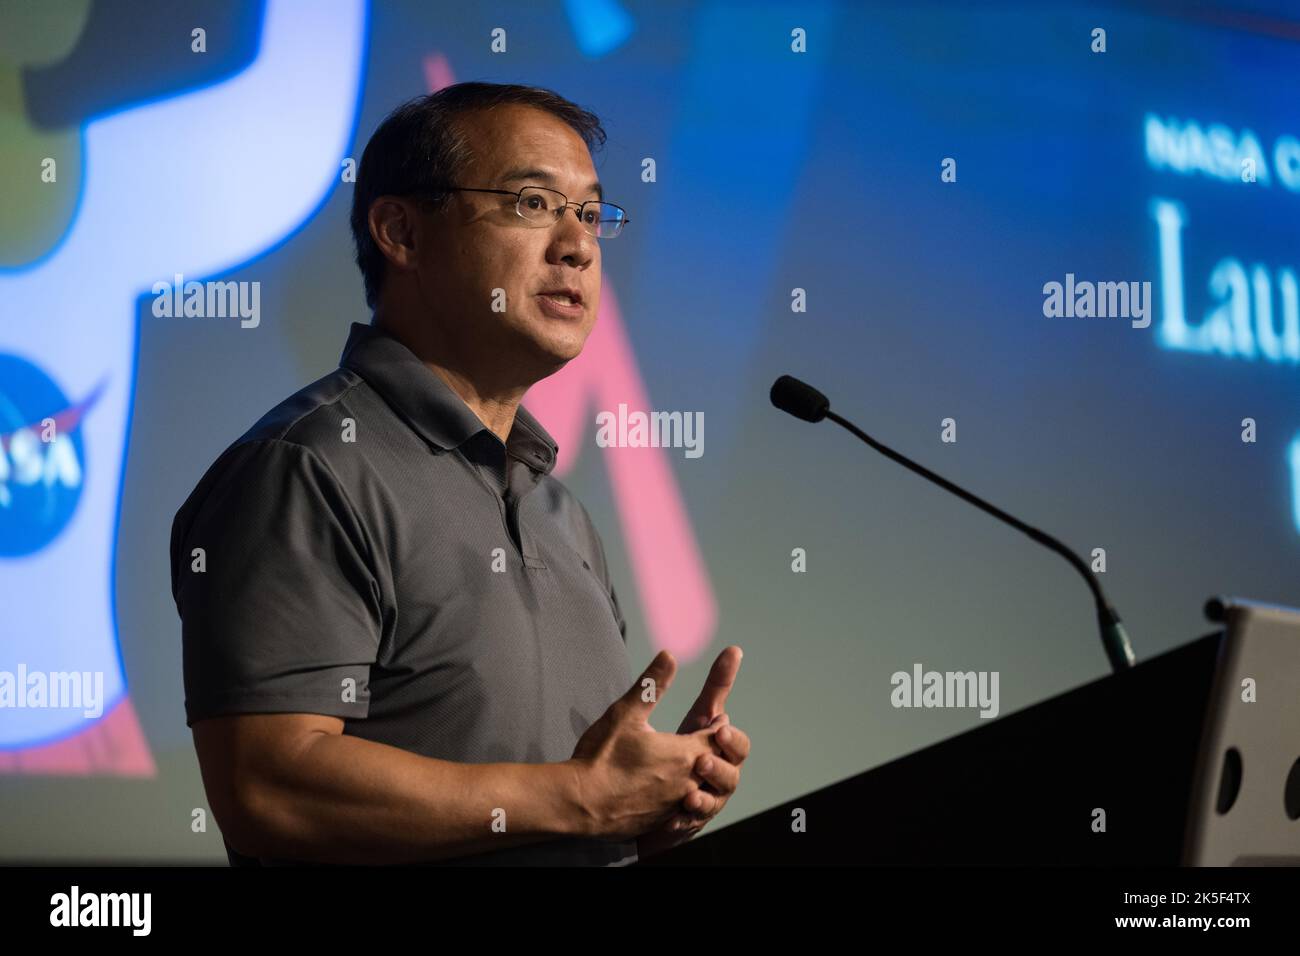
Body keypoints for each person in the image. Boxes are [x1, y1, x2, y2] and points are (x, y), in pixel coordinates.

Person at [169, 81, 750, 865]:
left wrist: (642, 807)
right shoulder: (305, 470)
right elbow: (271, 788)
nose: (578, 245)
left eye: (590, 214)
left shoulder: (563, 515)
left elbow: (557, 802)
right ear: (401, 232)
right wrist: (581, 798)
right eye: (533, 203)